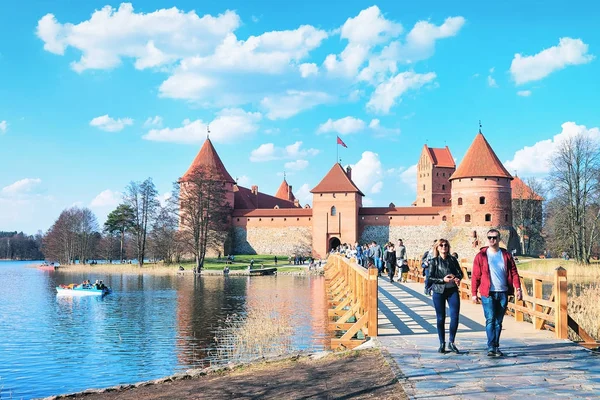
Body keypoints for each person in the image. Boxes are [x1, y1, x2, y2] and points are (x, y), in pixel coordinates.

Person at [472, 229, 523, 357]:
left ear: (499, 239)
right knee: (490, 320)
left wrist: (518, 288)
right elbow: (475, 276)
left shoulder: (506, 255)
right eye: (489, 237)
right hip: (487, 292)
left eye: (494, 237)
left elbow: (514, 273)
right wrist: (473, 293)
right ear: (487, 239)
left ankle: (496, 345)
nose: (492, 240)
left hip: (502, 292)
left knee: (498, 322)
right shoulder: (481, 256)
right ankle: (491, 347)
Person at [428, 238, 463, 353]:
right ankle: (442, 342)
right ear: (437, 248)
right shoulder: (434, 261)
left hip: (452, 290)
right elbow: (430, 278)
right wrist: (442, 280)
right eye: (441, 245)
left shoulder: (453, 260)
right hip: (439, 291)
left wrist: (457, 277)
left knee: (455, 316)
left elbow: (460, 273)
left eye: (446, 245)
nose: (444, 247)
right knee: (440, 317)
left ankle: (451, 342)